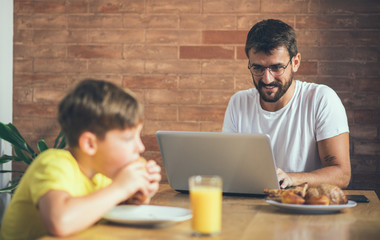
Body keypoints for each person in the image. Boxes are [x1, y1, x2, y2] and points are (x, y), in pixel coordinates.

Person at [1, 79, 161, 239]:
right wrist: (121, 188)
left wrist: (135, 197)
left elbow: (101, 209)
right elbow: (60, 222)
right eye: (128, 138)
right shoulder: (53, 164)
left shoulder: (102, 173)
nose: (141, 147)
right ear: (90, 144)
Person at [222, 19, 351, 189]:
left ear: (295, 62)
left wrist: (291, 178)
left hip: (304, 208)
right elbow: (227, 168)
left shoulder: (322, 99)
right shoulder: (238, 102)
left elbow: (341, 174)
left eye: (277, 68)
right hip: (253, 206)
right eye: (258, 68)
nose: (267, 79)